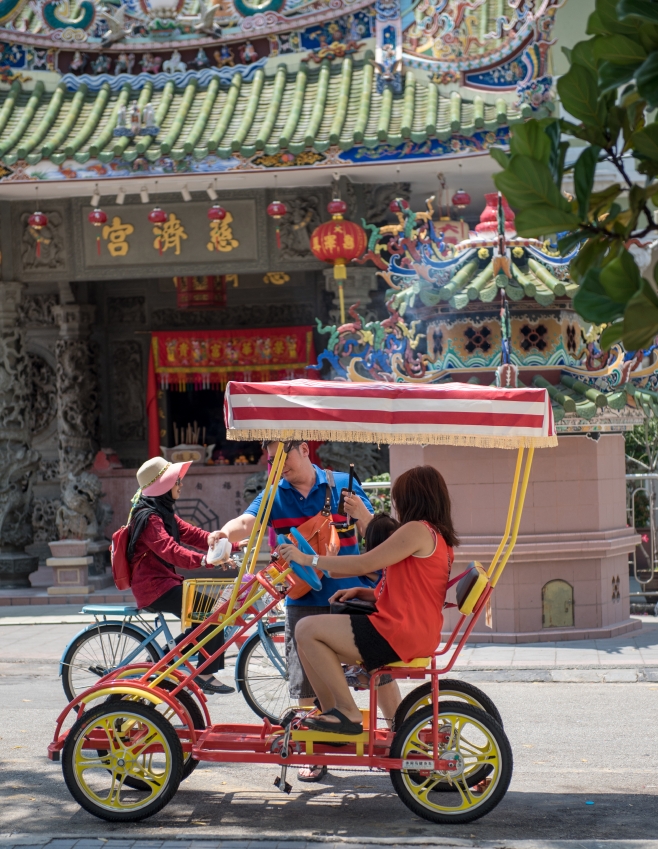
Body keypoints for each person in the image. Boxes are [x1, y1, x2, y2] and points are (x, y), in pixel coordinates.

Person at [212, 440, 396, 780]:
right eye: (271, 459)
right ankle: (316, 754)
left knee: (377, 667)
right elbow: (248, 522)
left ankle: (400, 734)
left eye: (284, 456)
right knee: (307, 681)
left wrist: (364, 515)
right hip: (302, 597)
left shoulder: (342, 484)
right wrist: (223, 532)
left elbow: (378, 536)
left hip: (350, 595)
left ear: (304, 451)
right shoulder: (274, 494)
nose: (278, 464)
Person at [278, 465, 458, 735]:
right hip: (412, 629)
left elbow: (366, 563)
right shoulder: (437, 535)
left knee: (305, 628)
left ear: (414, 498)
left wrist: (307, 559)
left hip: (399, 632)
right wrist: (368, 593)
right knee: (308, 635)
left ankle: (346, 712)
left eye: (399, 497)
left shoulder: (417, 530)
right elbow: (413, 588)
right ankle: (333, 714)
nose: (396, 504)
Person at [128, 456, 235, 695]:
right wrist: (203, 560)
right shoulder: (149, 518)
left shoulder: (161, 512)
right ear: (164, 485)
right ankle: (203, 673)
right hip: (154, 588)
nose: (181, 484)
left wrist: (230, 545)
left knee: (206, 615)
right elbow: (171, 550)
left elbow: (194, 534)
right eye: (177, 481)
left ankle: (165, 658)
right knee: (210, 611)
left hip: (164, 583)